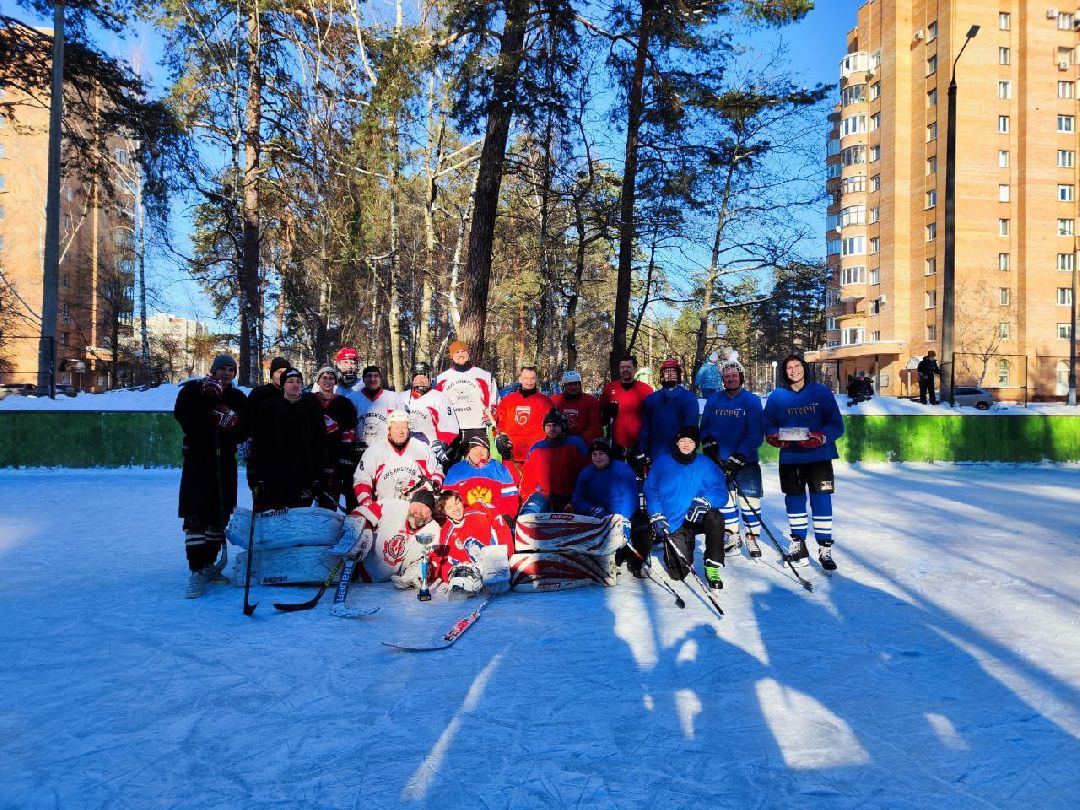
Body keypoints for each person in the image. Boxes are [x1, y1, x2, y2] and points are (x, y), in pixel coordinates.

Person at [173, 353, 248, 598]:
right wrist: (207, 403)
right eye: (222, 368)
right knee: (196, 515)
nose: (226, 373)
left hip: (224, 464)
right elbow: (185, 420)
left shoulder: (237, 396)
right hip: (199, 463)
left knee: (219, 515)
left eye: (231, 369)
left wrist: (231, 424)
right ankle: (196, 570)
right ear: (214, 370)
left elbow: (244, 427)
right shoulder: (193, 390)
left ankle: (208, 565)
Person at [762, 354, 845, 571]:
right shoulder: (777, 397)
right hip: (790, 457)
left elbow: (837, 425)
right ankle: (799, 545)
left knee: (821, 500)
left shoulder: (821, 392)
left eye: (797, 366)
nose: (793, 370)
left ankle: (825, 547)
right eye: (789, 367)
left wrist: (822, 436)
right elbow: (768, 424)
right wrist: (772, 436)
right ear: (784, 371)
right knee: (794, 500)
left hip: (819, 456)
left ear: (804, 368)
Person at [644, 425, 739, 590]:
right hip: (674, 521)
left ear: (696, 444)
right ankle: (685, 544)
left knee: (716, 517)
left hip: (698, 517)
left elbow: (721, 492)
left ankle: (712, 566)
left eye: (690, 441)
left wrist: (706, 501)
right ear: (676, 443)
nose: (686, 444)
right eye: (682, 440)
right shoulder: (662, 463)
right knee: (677, 574)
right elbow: (651, 491)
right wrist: (657, 514)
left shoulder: (706, 464)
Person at [700, 359, 764, 558]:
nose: (730, 378)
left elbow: (755, 433)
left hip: (746, 460)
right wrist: (708, 443)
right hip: (719, 461)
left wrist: (741, 454)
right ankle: (732, 534)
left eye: (734, 375)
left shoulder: (751, 401)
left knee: (750, 500)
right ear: (723, 379)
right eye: (727, 376)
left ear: (741, 377)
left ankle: (752, 537)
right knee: (726, 499)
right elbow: (705, 427)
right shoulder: (714, 400)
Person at [250, 368, 327, 511]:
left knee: (298, 521)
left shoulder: (311, 407)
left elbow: (320, 442)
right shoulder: (268, 407)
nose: (295, 384)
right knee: (275, 520)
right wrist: (256, 475)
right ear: (283, 384)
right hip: (274, 475)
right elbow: (259, 443)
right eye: (290, 381)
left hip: (303, 475)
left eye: (298, 381)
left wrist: (318, 475)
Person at [352, 410, 443, 528]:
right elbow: (362, 481)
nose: (401, 431)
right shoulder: (375, 451)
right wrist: (368, 505)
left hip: (413, 511)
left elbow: (437, 470)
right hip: (385, 511)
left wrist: (430, 486)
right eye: (396, 427)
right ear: (389, 429)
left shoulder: (421, 448)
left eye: (405, 427)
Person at [428, 490, 514, 593]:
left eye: (457, 503)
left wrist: (505, 557)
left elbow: (502, 530)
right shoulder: (445, 532)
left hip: (497, 564)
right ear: (444, 512)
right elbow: (444, 562)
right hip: (472, 574)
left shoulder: (480, 510)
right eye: (449, 507)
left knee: (500, 586)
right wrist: (452, 572)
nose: (455, 509)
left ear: (461, 501)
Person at [517, 409, 589, 515]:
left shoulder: (575, 444)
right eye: (548, 425)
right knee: (530, 513)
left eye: (555, 425)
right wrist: (526, 498)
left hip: (573, 496)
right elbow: (528, 479)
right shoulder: (537, 448)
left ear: (562, 427)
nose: (551, 429)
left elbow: (586, 472)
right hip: (544, 496)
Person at [307, 365, 359, 510]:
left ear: (335, 381)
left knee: (328, 502)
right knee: (303, 502)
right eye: (324, 378)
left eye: (331, 378)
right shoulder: (307, 400)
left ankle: (327, 530)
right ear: (318, 380)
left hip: (333, 460)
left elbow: (349, 432)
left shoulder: (344, 403)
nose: (328, 381)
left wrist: (344, 455)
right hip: (309, 459)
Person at [435, 340, 498, 448]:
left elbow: (494, 400)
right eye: (456, 352)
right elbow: (435, 403)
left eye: (463, 351)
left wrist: (492, 414)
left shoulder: (484, 376)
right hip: (451, 429)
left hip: (477, 427)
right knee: (452, 464)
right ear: (451, 356)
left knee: (478, 463)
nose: (460, 354)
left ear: (468, 353)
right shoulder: (441, 379)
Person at [637, 358, 700, 467]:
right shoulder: (651, 400)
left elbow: (691, 429)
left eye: (673, 372)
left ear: (678, 375)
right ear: (662, 374)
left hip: (680, 455)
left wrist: (685, 452)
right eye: (667, 372)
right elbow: (645, 429)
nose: (670, 375)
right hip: (656, 454)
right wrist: (643, 450)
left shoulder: (689, 399)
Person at [442, 434, 520, 520]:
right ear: (468, 452)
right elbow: (447, 500)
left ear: (488, 452)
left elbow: (510, 497)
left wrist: (506, 516)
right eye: (475, 448)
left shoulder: (499, 469)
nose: (479, 452)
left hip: (494, 519)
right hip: (466, 520)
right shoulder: (456, 470)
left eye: (483, 448)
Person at [493, 365, 553, 472]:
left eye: (532, 378)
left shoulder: (545, 401)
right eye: (525, 378)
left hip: (536, 454)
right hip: (512, 454)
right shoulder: (508, 400)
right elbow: (499, 424)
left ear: (536, 379)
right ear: (520, 379)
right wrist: (499, 438)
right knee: (511, 487)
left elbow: (552, 426)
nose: (529, 381)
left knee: (534, 487)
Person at [244, 356, 289, 489]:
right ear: (272, 374)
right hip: (263, 456)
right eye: (279, 372)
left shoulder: (294, 394)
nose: (283, 376)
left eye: (286, 372)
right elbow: (248, 422)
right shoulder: (259, 394)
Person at [404, 361, 458, 468]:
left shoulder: (439, 398)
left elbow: (450, 426)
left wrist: (441, 444)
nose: (420, 380)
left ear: (429, 378)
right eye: (417, 377)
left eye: (424, 376)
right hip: (406, 451)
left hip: (431, 451)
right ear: (412, 379)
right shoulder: (401, 398)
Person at [599, 355, 653, 460]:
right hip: (615, 442)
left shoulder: (646, 390)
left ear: (635, 369)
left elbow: (652, 416)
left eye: (628, 367)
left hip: (638, 442)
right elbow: (600, 411)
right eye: (622, 367)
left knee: (637, 474)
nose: (625, 370)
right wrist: (605, 415)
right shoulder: (610, 388)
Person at [344, 365, 402, 449]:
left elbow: (401, 424)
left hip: (386, 448)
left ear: (380, 379)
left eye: (376, 376)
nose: (372, 379)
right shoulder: (352, 398)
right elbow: (347, 427)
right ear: (363, 379)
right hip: (360, 449)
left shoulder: (393, 397)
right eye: (369, 376)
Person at [550, 370, 602, 445]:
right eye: (570, 384)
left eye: (575, 384)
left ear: (580, 385)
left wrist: (581, 440)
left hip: (583, 441)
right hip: (559, 440)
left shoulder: (591, 401)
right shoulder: (554, 400)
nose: (573, 387)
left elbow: (595, 426)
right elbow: (548, 423)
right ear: (564, 386)